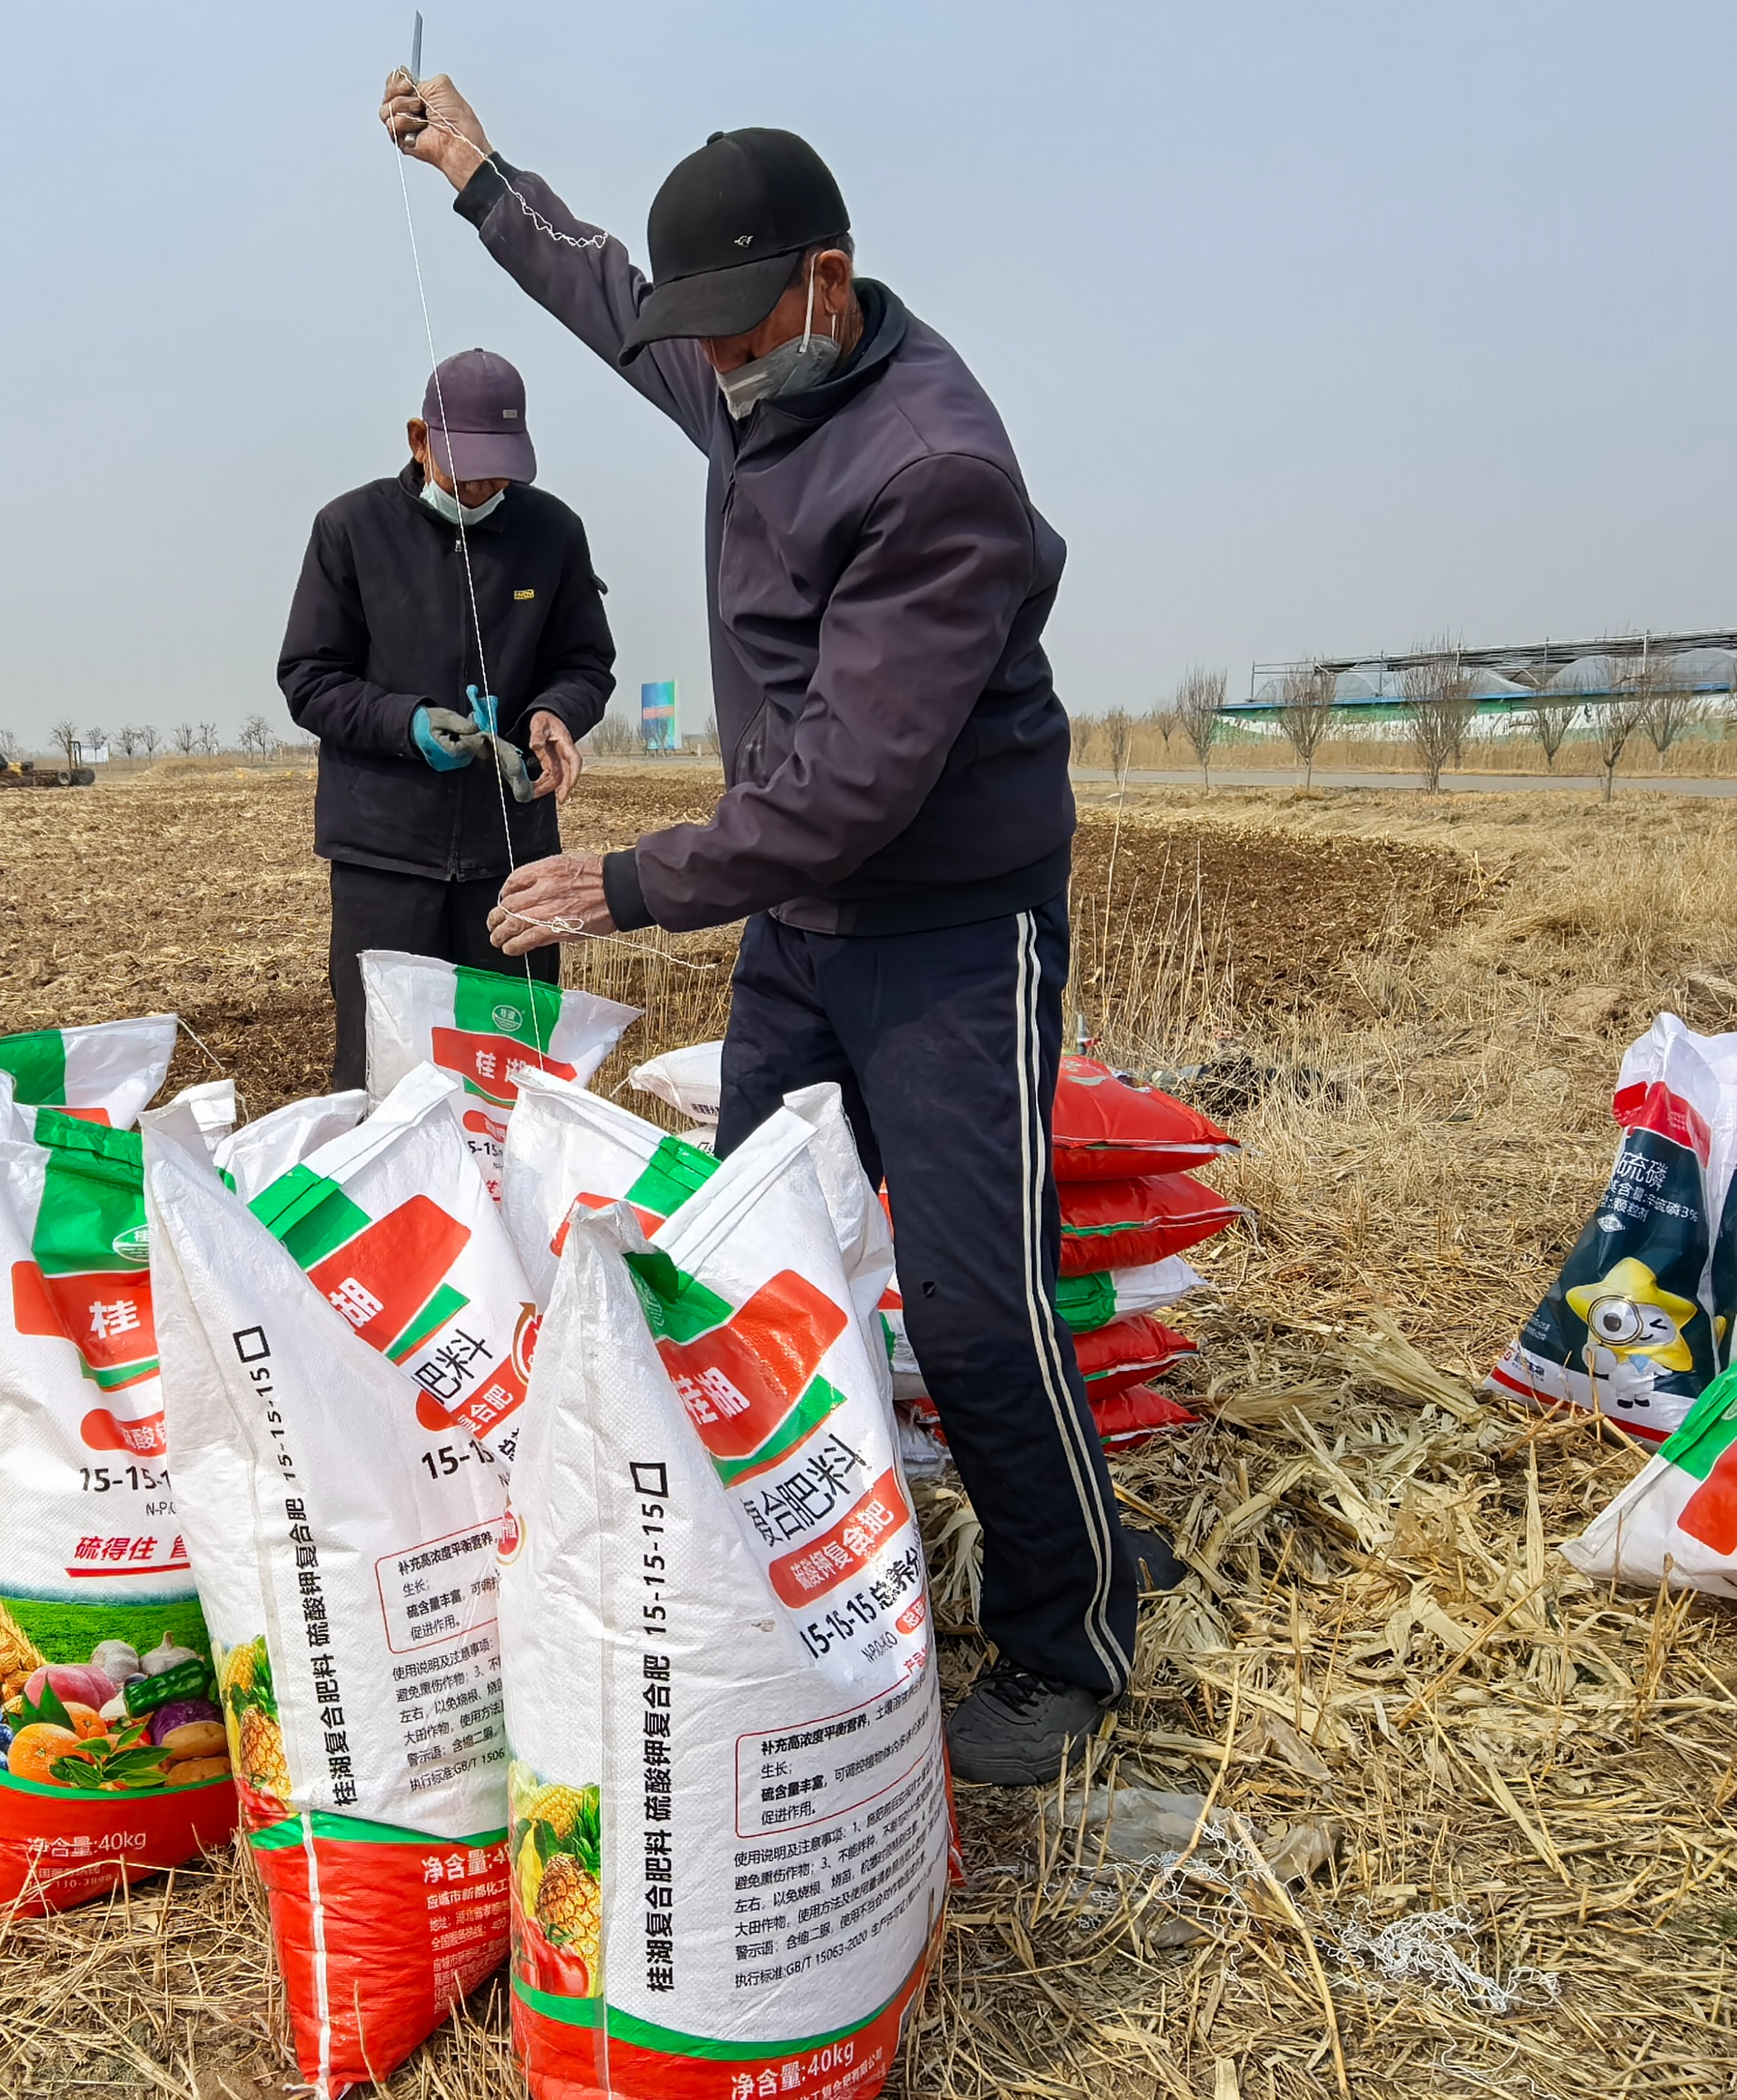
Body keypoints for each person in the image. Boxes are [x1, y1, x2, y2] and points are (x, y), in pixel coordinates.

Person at [382, 76, 1179, 1784]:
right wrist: (477, 174)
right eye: (707, 347)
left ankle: (1072, 1630)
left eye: (739, 339)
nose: (718, 372)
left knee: (971, 1305)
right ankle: (788, 1575)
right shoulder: (753, 363)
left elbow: (851, 788)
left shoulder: (930, 468)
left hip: (947, 927)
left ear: (825, 281)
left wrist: (629, 880)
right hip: (802, 925)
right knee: (746, 1251)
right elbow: (606, 295)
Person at [279, 348, 616, 1090]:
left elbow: (586, 662)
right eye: (470, 469)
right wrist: (405, 724)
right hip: (385, 858)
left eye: (502, 471)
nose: (486, 487)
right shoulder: (350, 530)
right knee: (383, 1069)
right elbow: (308, 677)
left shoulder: (552, 532)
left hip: (511, 855)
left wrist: (556, 712)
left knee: (510, 1070)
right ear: (418, 440)